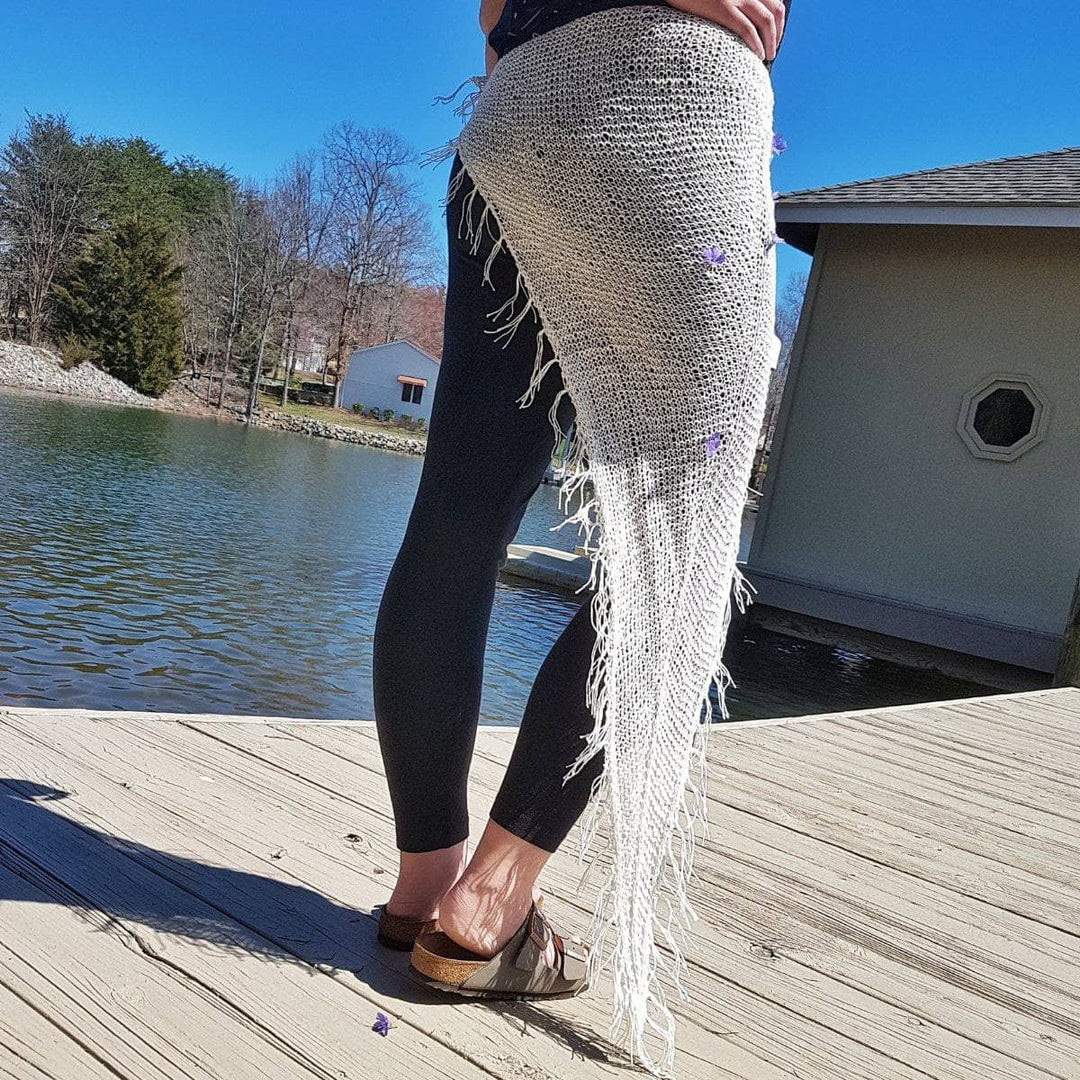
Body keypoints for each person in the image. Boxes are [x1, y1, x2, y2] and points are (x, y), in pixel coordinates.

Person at [372, 1, 790, 1071]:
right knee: (679, 542)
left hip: (516, 116)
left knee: (459, 516)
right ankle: (488, 911)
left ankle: (425, 882)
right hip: (671, 103)